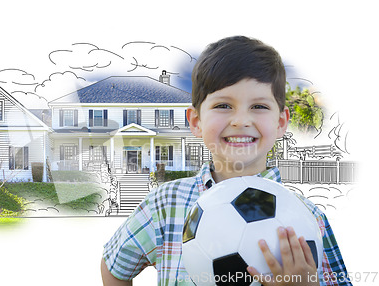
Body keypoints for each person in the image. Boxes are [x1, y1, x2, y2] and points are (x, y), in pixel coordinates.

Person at [101, 36, 350, 285]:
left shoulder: (307, 216)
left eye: (259, 107)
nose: (240, 120)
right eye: (223, 105)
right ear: (196, 121)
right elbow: (114, 266)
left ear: (281, 122)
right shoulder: (165, 204)